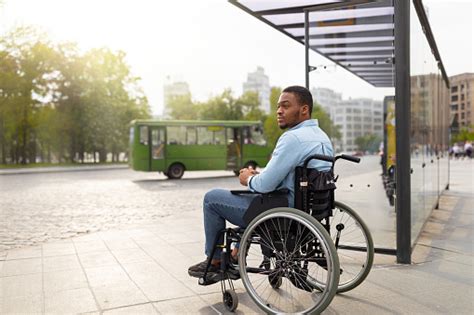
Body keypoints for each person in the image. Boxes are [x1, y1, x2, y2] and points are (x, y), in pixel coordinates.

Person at [187, 85, 334, 278]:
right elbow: (291, 175)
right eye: (278, 106)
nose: (279, 111)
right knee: (252, 197)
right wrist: (259, 176)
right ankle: (236, 253)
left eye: (286, 106)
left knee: (212, 198)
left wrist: (248, 178)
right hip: (309, 209)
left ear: (304, 109)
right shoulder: (322, 137)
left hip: (281, 212)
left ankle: (214, 260)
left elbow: (265, 186)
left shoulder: (292, 138)